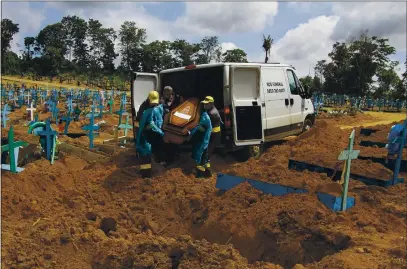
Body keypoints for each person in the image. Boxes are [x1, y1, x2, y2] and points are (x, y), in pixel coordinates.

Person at [136, 90, 165, 178]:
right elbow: (140, 118)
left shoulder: (160, 103)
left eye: (155, 102)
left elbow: (162, 112)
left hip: (156, 129)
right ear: (148, 99)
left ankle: (159, 161)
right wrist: (146, 126)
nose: (154, 104)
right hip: (147, 131)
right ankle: (146, 173)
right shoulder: (144, 106)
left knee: (159, 144)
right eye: (152, 102)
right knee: (146, 150)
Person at [187, 99, 213, 178]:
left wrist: (190, 135)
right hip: (204, 141)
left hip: (203, 141)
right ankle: (208, 174)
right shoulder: (203, 115)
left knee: (201, 158)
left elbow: (199, 128)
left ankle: (201, 176)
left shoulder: (204, 117)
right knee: (204, 157)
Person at [201, 96, 222, 169]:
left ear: (211, 104)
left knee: (207, 151)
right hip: (213, 133)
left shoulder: (211, 114)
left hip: (214, 135)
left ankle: (205, 169)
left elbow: (204, 126)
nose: (205, 105)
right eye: (204, 104)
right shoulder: (211, 110)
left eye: (206, 104)